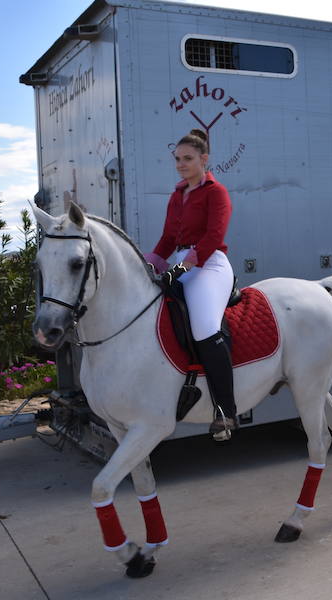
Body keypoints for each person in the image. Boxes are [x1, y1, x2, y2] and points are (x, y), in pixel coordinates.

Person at [144, 129, 237, 440]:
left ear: (204, 159)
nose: (181, 164)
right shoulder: (176, 195)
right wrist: (152, 262)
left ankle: (226, 411)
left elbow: (213, 238)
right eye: (177, 159)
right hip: (184, 264)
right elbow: (169, 238)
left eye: (187, 159)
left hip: (210, 265)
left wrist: (180, 268)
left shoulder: (216, 192)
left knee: (205, 328)